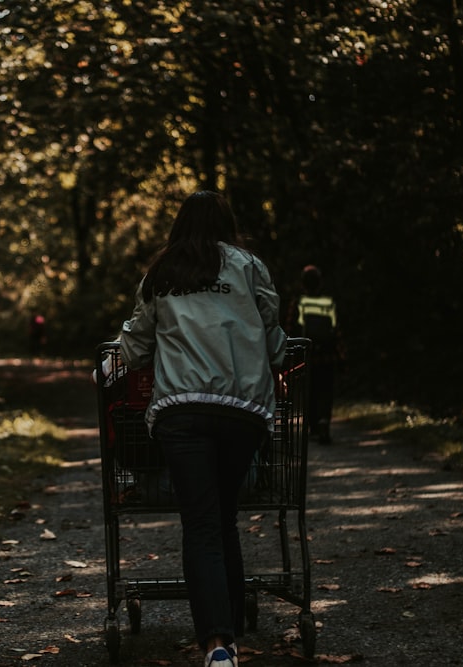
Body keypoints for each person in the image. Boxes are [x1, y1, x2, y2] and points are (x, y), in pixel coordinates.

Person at [119, 191, 287, 667]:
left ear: (179, 225)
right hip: (243, 410)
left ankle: (218, 645)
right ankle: (228, 630)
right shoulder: (249, 266)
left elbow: (134, 346)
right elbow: (273, 334)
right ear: (227, 224)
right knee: (224, 517)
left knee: (201, 524)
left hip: (181, 410)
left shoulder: (163, 272)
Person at [291, 265, 341, 443]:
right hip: (327, 355)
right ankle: (324, 421)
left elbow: (291, 328)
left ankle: (312, 425)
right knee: (325, 389)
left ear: (303, 284)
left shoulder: (299, 303)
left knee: (309, 389)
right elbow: (336, 329)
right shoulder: (329, 302)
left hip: (307, 355)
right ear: (320, 283)